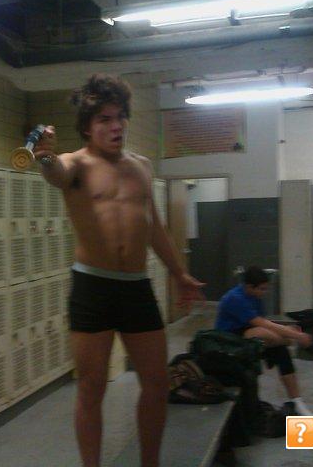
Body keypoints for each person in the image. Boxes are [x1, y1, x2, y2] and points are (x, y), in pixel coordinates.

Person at [33, 73, 205, 467]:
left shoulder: (141, 166)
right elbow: (55, 174)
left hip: (136, 288)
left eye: (120, 117)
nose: (116, 126)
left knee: (157, 384)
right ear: (87, 127)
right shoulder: (75, 163)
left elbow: (154, 226)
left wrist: (179, 273)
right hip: (92, 288)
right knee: (91, 389)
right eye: (104, 120)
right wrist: (44, 155)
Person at [215, 266, 313, 416]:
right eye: (262, 289)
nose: (265, 292)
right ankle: (289, 341)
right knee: (262, 333)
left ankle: (297, 401)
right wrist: (296, 336)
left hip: (248, 334)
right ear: (249, 287)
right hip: (228, 341)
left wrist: (288, 331)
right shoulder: (234, 298)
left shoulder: (255, 297)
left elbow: (265, 324)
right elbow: (262, 324)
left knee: (281, 351)